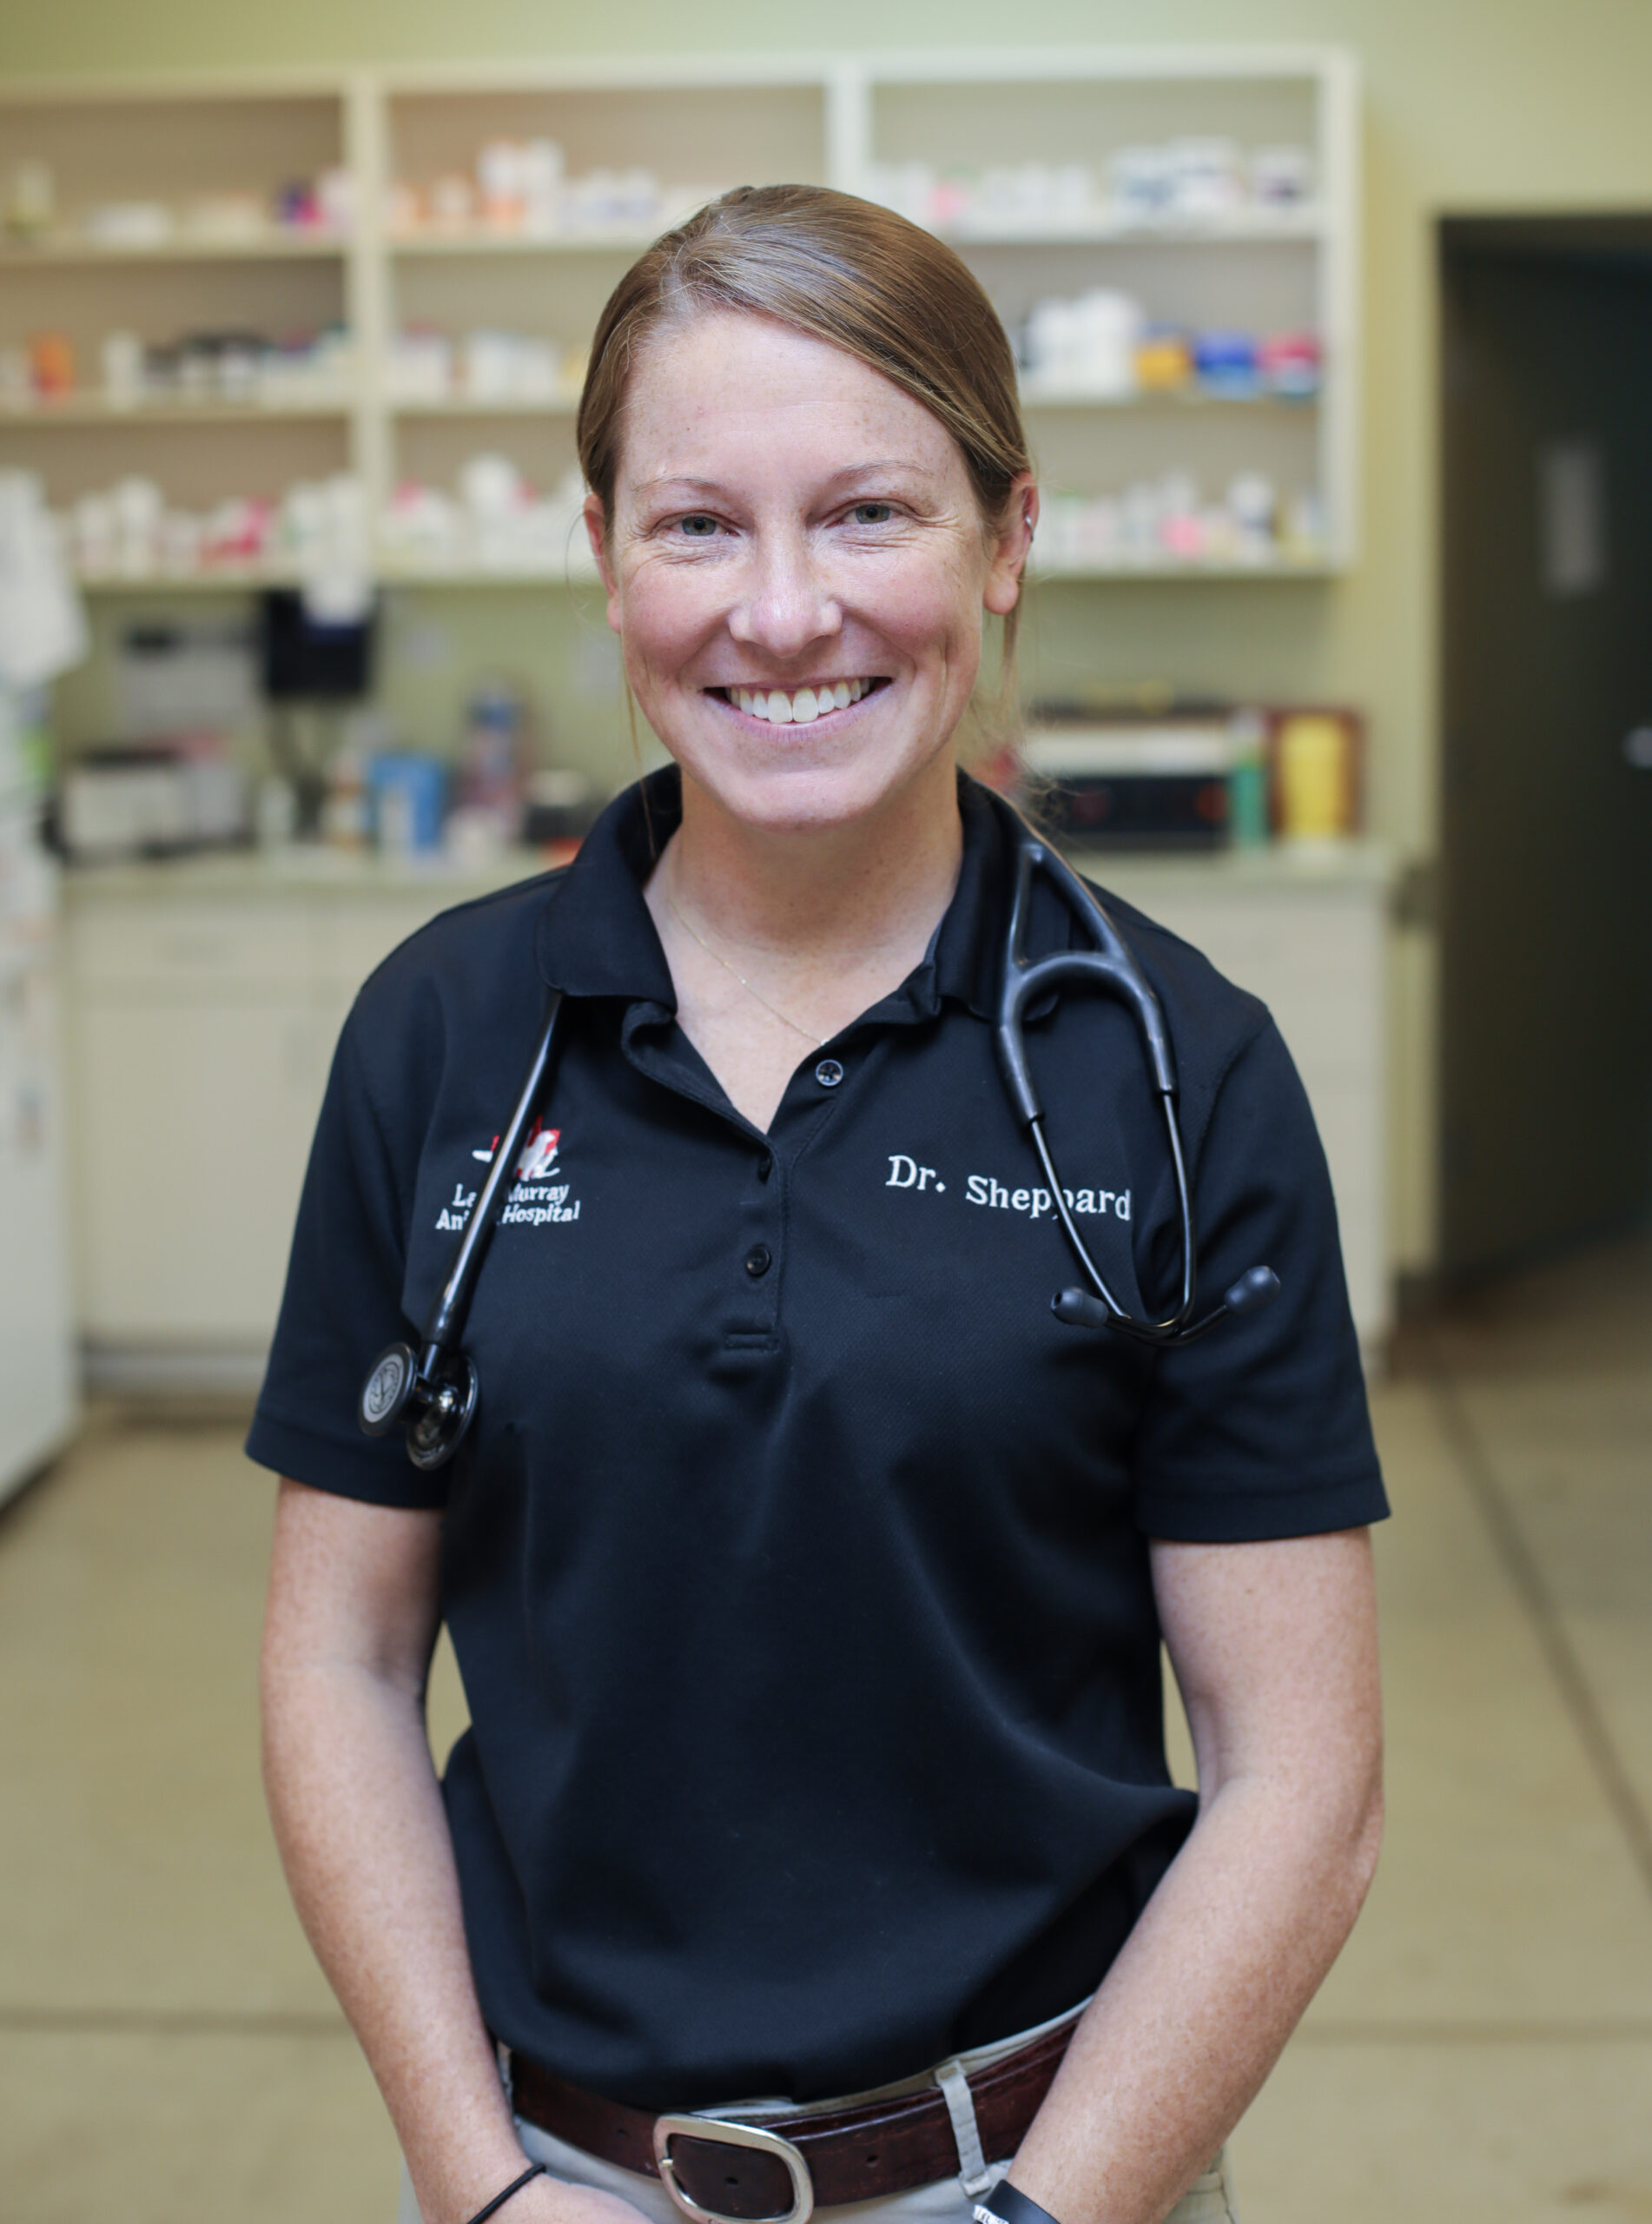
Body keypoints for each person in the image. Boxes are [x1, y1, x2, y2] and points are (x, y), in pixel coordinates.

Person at [252, 184, 1386, 2224]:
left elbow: (1302, 1770)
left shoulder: (1169, 1067)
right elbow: (339, 1653)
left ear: (1008, 537)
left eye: (869, 512)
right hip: (549, 2174)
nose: (783, 613)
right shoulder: (445, 1035)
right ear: (603, 558)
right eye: (699, 523)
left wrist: (1049, 2216)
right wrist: (473, 2178)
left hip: (1057, 2167)